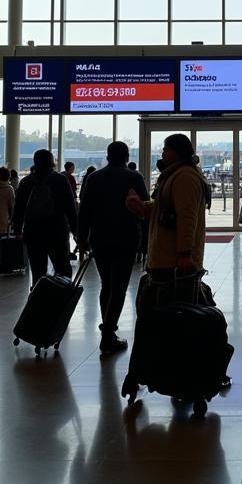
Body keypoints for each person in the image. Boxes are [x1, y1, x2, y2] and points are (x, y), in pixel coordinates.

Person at [78, 141, 148, 354]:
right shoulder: (133, 177)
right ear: (126, 156)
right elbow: (144, 207)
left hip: (100, 238)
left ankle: (108, 330)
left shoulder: (94, 178)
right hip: (126, 238)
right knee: (119, 287)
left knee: (106, 284)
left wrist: (82, 238)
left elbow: (85, 210)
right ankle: (109, 333)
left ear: (107, 156)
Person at [126, 133, 206, 276]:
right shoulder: (175, 174)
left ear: (177, 152)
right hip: (165, 257)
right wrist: (142, 207)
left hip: (173, 260)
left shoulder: (185, 177)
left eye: (165, 149)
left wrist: (185, 254)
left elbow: (187, 217)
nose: (162, 154)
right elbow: (165, 208)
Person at [13, 149, 78, 286]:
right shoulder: (60, 180)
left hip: (33, 231)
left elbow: (18, 208)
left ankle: (39, 300)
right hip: (57, 230)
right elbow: (70, 208)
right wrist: (76, 231)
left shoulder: (26, 182)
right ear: (52, 162)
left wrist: (17, 230)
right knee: (62, 268)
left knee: (38, 271)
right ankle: (62, 299)